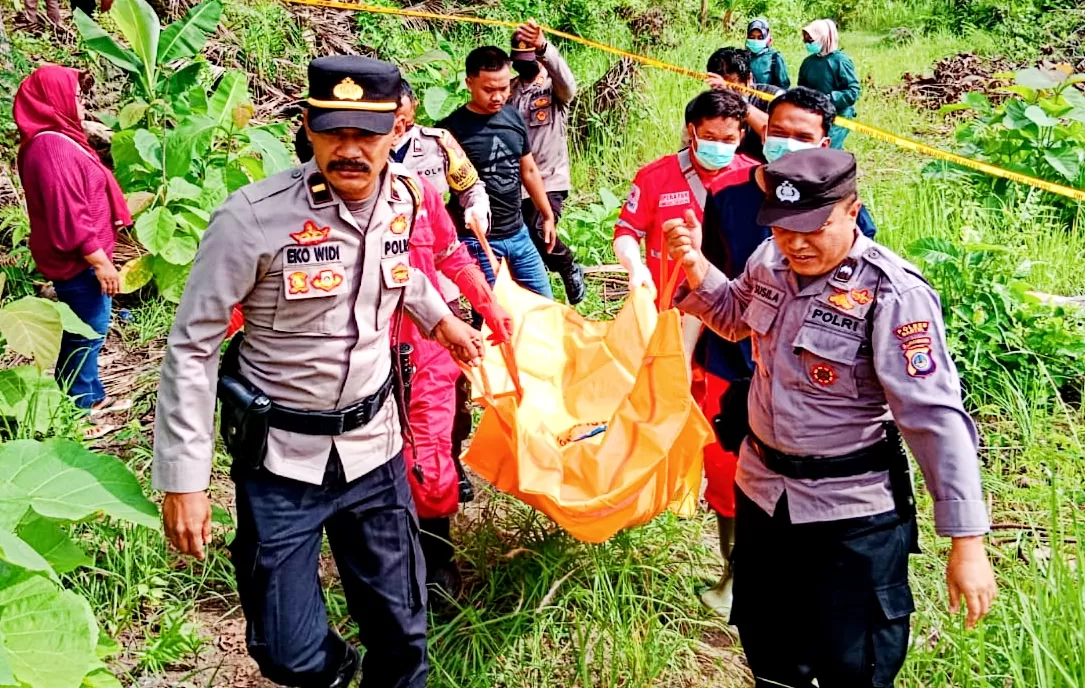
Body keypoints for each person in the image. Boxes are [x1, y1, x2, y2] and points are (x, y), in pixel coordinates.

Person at [153, 56, 485, 688]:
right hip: (282, 460)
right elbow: (193, 346)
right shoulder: (253, 218)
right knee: (286, 651)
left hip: (375, 448)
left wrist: (442, 320)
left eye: (367, 134)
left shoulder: (404, 197)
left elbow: (397, 269)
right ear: (308, 127)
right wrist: (184, 480)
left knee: (403, 632)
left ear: (396, 130)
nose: (350, 151)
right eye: (335, 132)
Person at [664, 148, 997, 688]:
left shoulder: (892, 293)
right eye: (782, 228)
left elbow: (934, 419)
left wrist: (968, 542)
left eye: (813, 228)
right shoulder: (769, 262)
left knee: (854, 667)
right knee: (772, 654)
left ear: (852, 211)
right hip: (765, 497)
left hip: (850, 515)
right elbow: (734, 318)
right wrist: (699, 270)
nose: (796, 243)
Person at [692, 86, 878, 618]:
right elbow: (711, 283)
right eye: (778, 133)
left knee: (797, 473)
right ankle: (736, 575)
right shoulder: (726, 197)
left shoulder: (844, 210)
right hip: (731, 360)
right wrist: (687, 357)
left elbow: (858, 293)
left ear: (825, 142)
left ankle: (796, 582)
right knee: (726, 472)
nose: (788, 144)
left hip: (802, 372)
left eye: (803, 135)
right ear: (762, 132)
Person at [14, 65, 132, 431]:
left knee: (89, 327)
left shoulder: (58, 140)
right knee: (86, 331)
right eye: (76, 96)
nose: (82, 103)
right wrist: (99, 261)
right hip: (78, 260)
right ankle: (76, 412)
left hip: (82, 257)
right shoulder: (51, 147)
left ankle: (91, 395)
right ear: (54, 100)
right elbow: (70, 213)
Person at [438, 46, 555, 299]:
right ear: (469, 83)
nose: (498, 97)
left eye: (504, 88)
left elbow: (529, 170)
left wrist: (547, 215)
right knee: (494, 311)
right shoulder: (449, 131)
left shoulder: (513, 118)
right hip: (479, 241)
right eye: (489, 90)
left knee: (544, 303)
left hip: (519, 233)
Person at [508, 20, 587, 305]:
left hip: (549, 177)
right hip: (517, 181)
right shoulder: (509, 91)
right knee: (518, 237)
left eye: (529, 57)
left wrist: (544, 47)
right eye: (518, 59)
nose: (523, 64)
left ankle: (568, 266)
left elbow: (569, 84)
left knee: (541, 229)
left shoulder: (554, 89)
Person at [705, 46, 784, 161]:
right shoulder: (709, 103)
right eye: (720, 89)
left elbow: (778, 134)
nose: (726, 95)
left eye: (733, 88)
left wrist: (738, 103)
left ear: (749, 79)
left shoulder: (775, 97)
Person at [799, 19, 860, 149]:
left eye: (811, 40)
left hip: (839, 114)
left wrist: (830, 98)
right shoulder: (808, 63)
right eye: (806, 40)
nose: (808, 44)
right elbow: (802, 88)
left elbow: (852, 91)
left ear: (824, 38)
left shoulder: (840, 61)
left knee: (829, 147)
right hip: (816, 114)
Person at [745, 18, 789, 90]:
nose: (755, 41)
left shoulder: (774, 58)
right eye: (752, 37)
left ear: (768, 39)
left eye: (760, 38)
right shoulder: (742, 57)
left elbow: (783, 86)